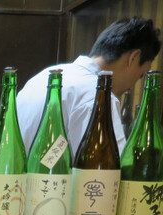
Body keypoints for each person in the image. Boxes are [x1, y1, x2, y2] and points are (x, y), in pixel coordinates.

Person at [17, 17, 161, 157]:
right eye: (140, 75)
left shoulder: (45, 75)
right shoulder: (99, 97)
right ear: (134, 57)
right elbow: (107, 167)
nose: (131, 87)